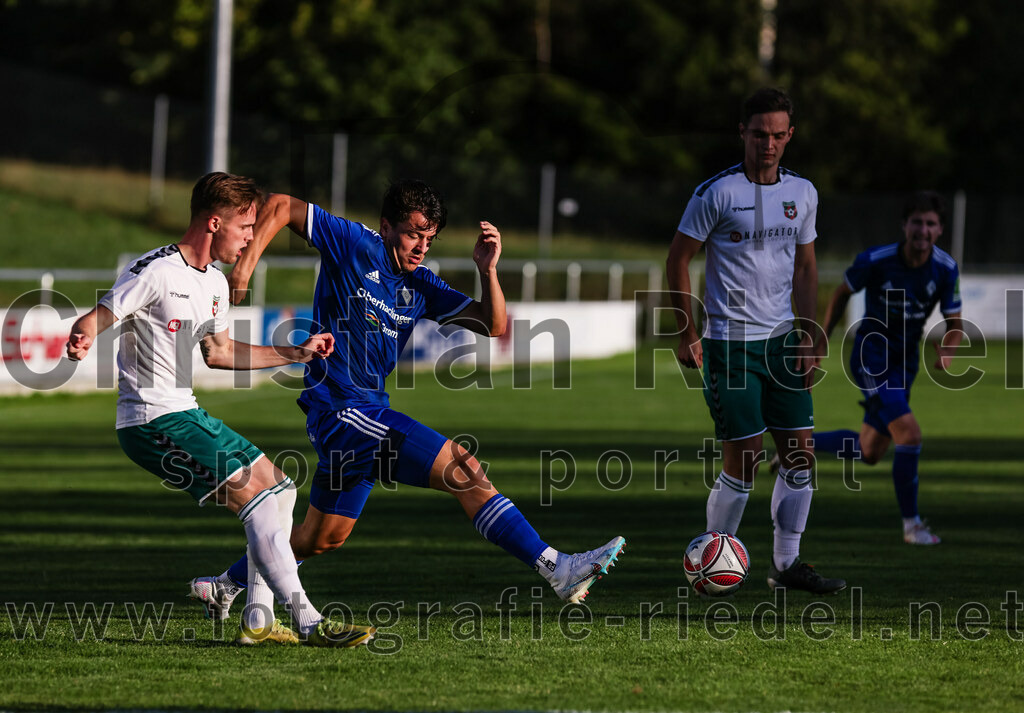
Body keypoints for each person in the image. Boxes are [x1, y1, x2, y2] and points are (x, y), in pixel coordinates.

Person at [188, 179, 625, 619]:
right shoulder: (355, 243)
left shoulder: (421, 284)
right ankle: (558, 568)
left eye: (429, 238)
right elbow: (281, 205)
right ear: (387, 226)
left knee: (321, 538)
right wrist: (244, 271)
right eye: (414, 233)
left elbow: (493, 324)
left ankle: (223, 586)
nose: (421, 246)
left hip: (362, 415)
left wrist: (488, 270)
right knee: (463, 468)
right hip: (343, 410)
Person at [66, 171, 376, 648]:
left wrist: (295, 353)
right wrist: (84, 334)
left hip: (185, 413)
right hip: (152, 420)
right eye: (246, 228)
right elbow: (102, 314)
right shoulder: (155, 271)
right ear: (215, 222)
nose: (252, 239)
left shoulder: (213, 282)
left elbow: (221, 352)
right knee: (255, 503)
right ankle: (309, 620)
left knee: (281, 489)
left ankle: (255, 620)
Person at [666, 87, 845, 595]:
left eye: (778, 135)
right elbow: (678, 259)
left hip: (783, 342)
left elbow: (806, 267)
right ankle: (711, 560)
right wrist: (687, 331)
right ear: (742, 133)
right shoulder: (714, 193)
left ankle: (787, 567)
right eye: (759, 134)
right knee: (742, 460)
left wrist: (809, 335)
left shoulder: (804, 193)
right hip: (729, 344)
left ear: (790, 136)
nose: (768, 144)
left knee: (800, 456)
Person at [807, 190, 962, 545]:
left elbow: (956, 326)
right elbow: (841, 293)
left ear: (940, 230)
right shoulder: (875, 259)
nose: (923, 230)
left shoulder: (945, 268)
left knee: (870, 451)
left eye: (931, 224)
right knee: (910, 434)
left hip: (905, 364)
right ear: (904, 225)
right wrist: (822, 341)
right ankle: (912, 526)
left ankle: (800, 443)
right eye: (917, 222)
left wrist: (948, 353)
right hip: (871, 358)